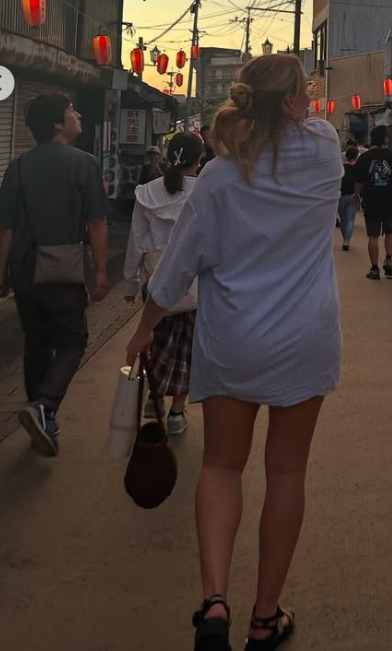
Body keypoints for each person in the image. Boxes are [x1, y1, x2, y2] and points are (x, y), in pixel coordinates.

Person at [125, 54, 342, 651]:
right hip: (305, 337)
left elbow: (178, 267)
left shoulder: (220, 176)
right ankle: (264, 618)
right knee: (287, 471)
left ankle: (215, 602)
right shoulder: (325, 154)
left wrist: (145, 326)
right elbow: (311, 124)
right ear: (295, 99)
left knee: (222, 465)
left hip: (234, 339)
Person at [0, 93, 109, 457]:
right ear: (58, 124)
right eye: (72, 111)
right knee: (73, 341)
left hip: (26, 273)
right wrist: (101, 271)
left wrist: (1, 273)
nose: (78, 115)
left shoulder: (17, 166)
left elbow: (7, 228)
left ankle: (40, 416)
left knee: (36, 344)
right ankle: (45, 407)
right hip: (64, 271)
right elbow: (96, 220)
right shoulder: (84, 163)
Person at [123, 131, 203, 436]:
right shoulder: (204, 192)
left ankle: (153, 399)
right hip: (194, 287)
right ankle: (177, 413)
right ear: (200, 159)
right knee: (187, 351)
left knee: (153, 344)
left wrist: (130, 284)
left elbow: (137, 242)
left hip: (154, 286)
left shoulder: (147, 193)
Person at [353, 124, 392, 281]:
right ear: (386, 138)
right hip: (390, 200)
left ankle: (375, 268)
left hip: (371, 201)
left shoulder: (364, 158)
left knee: (373, 236)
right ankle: (389, 258)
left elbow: (358, 181)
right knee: (391, 232)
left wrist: (356, 196)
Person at [337, 144, 359, 251]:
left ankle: (345, 238)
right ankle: (346, 240)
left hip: (341, 196)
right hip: (353, 196)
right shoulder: (358, 168)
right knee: (350, 220)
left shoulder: (341, 168)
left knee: (343, 220)